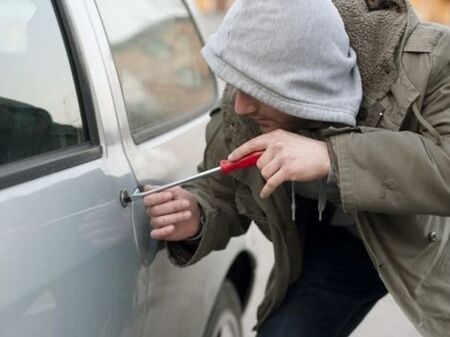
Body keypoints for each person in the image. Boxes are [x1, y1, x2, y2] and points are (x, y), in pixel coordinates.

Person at [144, 0, 450, 336]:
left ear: (307, 83)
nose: (241, 106)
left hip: (432, 244)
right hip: (340, 249)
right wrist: (197, 215)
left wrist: (331, 157)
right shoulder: (242, 110)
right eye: (237, 86)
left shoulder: (430, 62)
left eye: (258, 91)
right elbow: (223, 191)